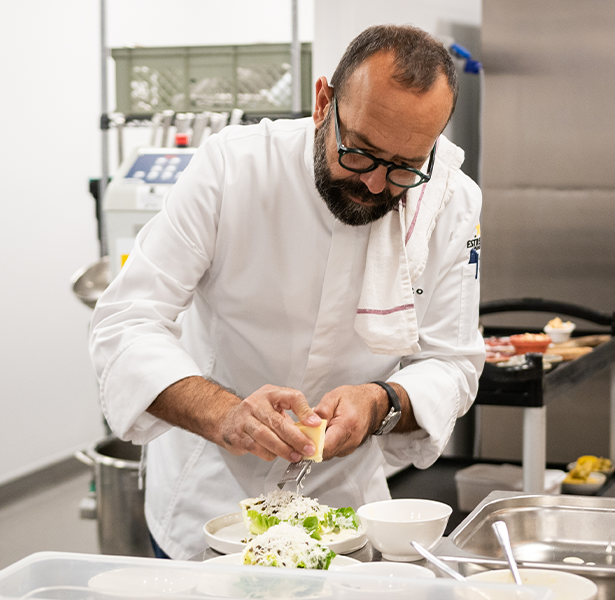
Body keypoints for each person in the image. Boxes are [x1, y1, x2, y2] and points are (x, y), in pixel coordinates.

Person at [89, 24, 485, 560]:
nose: (374, 184)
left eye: (405, 167)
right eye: (361, 152)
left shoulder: (450, 201)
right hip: (210, 502)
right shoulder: (234, 167)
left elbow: (453, 363)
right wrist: (224, 413)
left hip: (342, 513)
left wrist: (380, 403)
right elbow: (126, 322)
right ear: (324, 103)